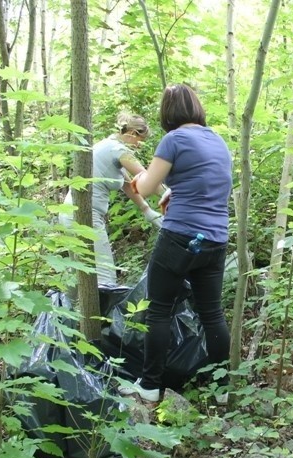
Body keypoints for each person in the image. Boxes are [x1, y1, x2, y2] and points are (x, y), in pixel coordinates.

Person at [123, 84, 233, 404]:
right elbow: (206, 182)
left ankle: (150, 385)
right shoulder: (217, 140)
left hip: (180, 237)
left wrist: (141, 182)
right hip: (215, 240)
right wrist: (174, 189)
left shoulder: (174, 140)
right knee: (212, 314)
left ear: (167, 113)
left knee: (159, 310)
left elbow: (144, 186)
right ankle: (222, 388)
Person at [60, 112, 163, 286]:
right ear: (131, 133)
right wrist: (169, 197)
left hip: (70, 213)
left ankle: (67, 309)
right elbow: (147, 177)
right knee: (105, 275)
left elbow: (128, 184)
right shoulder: (118, 150)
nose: (140, 145)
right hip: (85, 216)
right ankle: (105, 313)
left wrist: (147, 210)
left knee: (79, 275)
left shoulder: (108, 146)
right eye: (140, 139)